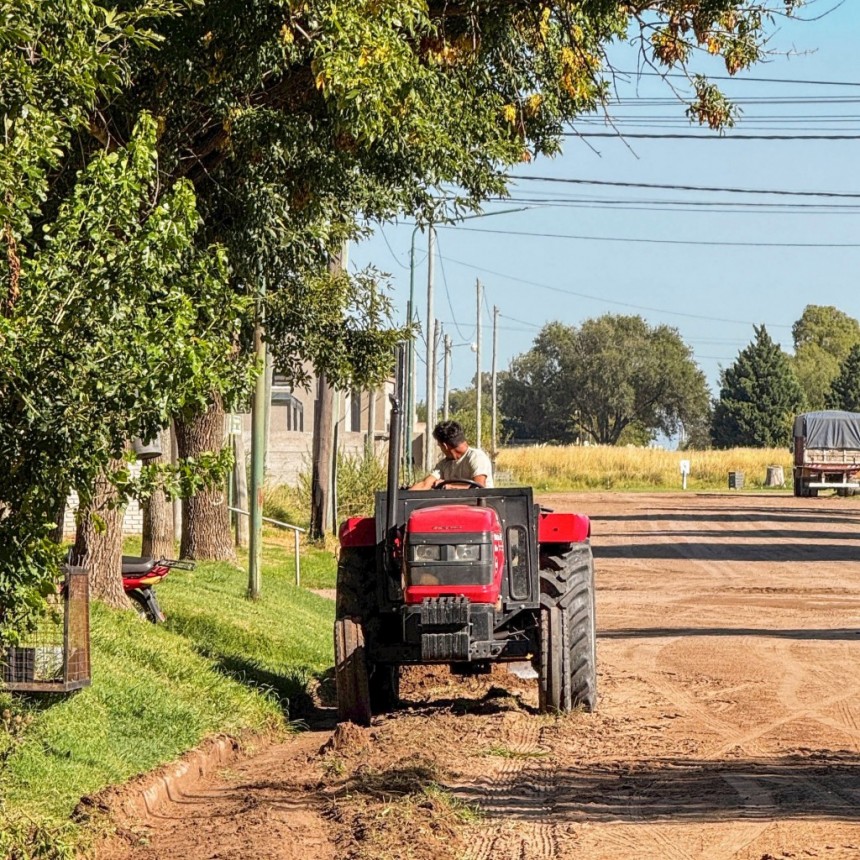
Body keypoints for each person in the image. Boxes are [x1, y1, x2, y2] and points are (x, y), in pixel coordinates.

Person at [410, 420, 494, 490]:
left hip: (480, 503)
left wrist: (450, 487)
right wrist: (406, 495)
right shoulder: (444, 464)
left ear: (445, 446)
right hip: (453, 503)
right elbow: (425, 484)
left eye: (439, 446)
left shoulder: (476, 457)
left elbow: (479, 487)